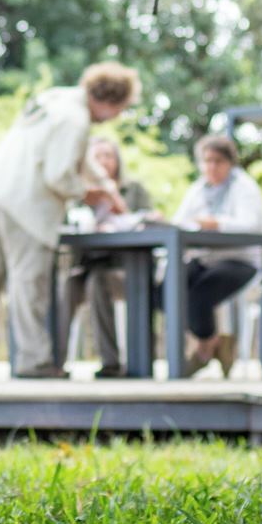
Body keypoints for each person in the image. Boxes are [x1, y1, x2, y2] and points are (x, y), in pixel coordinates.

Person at [0, 63, 141, 379]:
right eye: (121, 109)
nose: (116, 117)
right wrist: (90, 194)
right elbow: (59, 175)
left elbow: (78, 156)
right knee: (29, 282)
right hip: (28, 206)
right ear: (110, 102)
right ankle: (34, 362)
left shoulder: (55, 99)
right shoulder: (75, 120)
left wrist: (106, 185)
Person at [165, 133, 262, 378]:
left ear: (229, 163)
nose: (211, 167)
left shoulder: (244, 187)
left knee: (200, 294)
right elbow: (180, 221)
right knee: (168, 289)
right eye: (206, 161)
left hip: (239, 259)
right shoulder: (198, 189)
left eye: (217, 161)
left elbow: (252, 224)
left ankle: (203, 351)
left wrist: (216, 223)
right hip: (205, 258)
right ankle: (213, 342)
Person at [62, 137, 153, 379]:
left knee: (97, 283)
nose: (103, 161)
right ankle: (54, 362)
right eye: (97, 156)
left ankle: (111, 363)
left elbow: (146, 222)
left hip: (125, 268)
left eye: (108, 155)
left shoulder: (132, 190)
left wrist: (122, 217)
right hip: (86, 265)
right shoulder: (78, 194)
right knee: (66, 287)